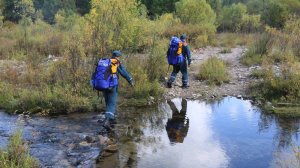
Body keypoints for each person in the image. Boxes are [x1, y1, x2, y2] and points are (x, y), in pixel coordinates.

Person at [102, 50, 134, 130]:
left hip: (104, 86)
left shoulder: (105, 62)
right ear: (118, 57)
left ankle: (111, 119)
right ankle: (107, 121)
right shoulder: (115, 62)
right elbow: (124, 73)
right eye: (120, 57)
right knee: (112, 103)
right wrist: (130, 80)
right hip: (112, 86)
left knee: (108, 102)